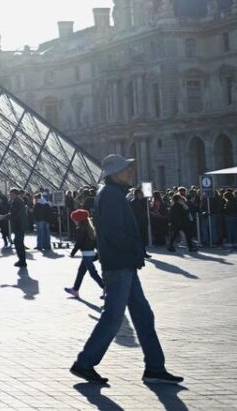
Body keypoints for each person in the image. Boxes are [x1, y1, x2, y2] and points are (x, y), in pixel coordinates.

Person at [70, 154, 183, 386]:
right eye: (125, 169)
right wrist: (134, 251)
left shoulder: (112, 193)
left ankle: (154, 367)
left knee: (143, 316)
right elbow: (114, 232)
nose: (130, 172)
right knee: (113, 317)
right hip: (120, 264)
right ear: (114, 173)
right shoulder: (110, 195)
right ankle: (84, 363)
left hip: (124, 264)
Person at [64, 209, 104, 300]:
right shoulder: (90, 228)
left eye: (74, 219)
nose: (73, 221)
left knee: (93, 273)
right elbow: (95, 243)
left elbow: (79, 243)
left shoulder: (80, 229)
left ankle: (105, 288)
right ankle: (75, 289)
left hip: (86, 254)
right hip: (90, 253)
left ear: (78, 220)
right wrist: (98, 253)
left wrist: (73, 253)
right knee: (81, 271)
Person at [9, 188, 29, 268]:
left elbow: (14, 213)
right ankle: (22, 260)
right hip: (21, 225)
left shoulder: (16, 202)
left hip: (19, 225)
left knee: (18, 242)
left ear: (14, 194)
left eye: (10, 194)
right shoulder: (20, 201)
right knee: (19, 242)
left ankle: (22, 260)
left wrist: (4, 217)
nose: (9, 195)